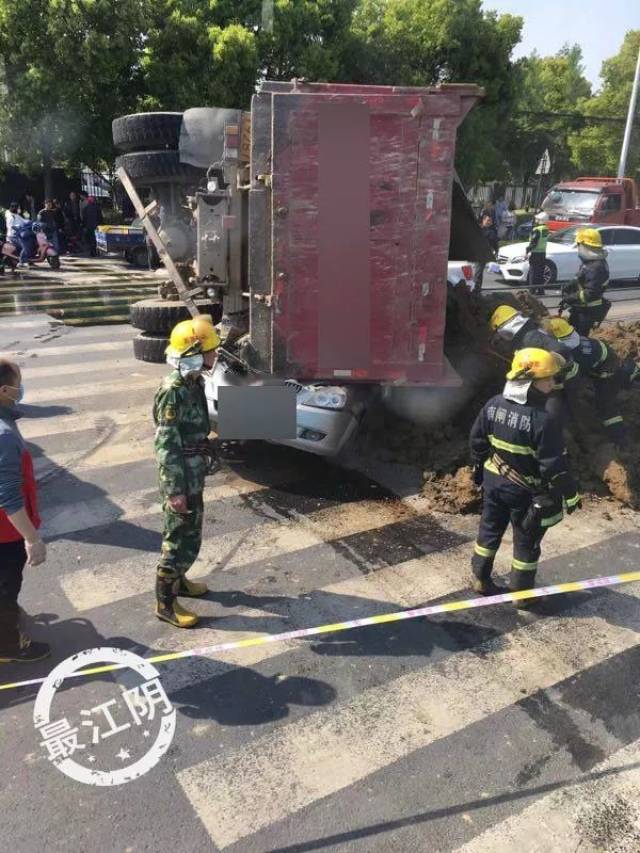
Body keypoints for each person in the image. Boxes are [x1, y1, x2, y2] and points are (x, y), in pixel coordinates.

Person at [469, 348, 581, 601]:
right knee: (526, 542)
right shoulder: (544, 419)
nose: (553, 384)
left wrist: (478, 470)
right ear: (530, 382)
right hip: (524, 491)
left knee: (488, 530)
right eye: (548, 379)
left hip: (493, 480)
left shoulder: (493, 404)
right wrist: (571, 494)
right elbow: (553, 466)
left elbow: (477, 441)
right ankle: (522, 595)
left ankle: (480, 578)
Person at [154, 316, 221, 628]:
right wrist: (174, 491)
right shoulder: (172, 391)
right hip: (180, 476)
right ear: (193, 353)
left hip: (193, 472)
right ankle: (165, 604)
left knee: (192, 530)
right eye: (209, 350)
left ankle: (180, 580)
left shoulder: (193, 382)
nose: (214, 355)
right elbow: (166, 445)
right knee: (176, 539)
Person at [0, 359, 49, 662]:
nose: (21, 389)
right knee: (7, 583)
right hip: (6, 531)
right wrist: (32, 538)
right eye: (19, 384)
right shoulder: (4, 436)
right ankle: (7, 645)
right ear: (5, 390)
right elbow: (8, 497)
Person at [545, 316, 640, 446]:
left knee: (605, 406)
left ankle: (621, 439)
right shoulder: (575, 339)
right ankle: (630, 372)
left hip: (607, 372)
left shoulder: (574, 354)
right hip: (602, 363)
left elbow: (573, 381)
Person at [490, 304, 579, 423]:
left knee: (553, 416)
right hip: (556, 381)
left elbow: (560, 350)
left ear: (506, 329)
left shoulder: (530, 337)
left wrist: (553, 376)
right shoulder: (524, 336)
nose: (501, 339)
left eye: (500, 334)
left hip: (561, 381)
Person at [561, 228, 610, 336]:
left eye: (579, 246)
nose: (578, 249)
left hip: (588, 312)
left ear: (585, 246)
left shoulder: (596, 267)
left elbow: (591, 293)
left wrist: (570, 298)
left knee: (579, 339)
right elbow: (582, 279)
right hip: (582, 309)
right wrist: (570, 286)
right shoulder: (591, 262)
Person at [526, 211, 549, 296]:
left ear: (540, 220)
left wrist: (527, 250)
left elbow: (533, 242)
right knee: (540, 272)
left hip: (535, 254)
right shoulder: (546, 229)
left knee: (533, 272)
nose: (536, 220)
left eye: (537, 219)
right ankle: (540, 290)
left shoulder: (537, 230)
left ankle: (532, 291)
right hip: (543, 253)